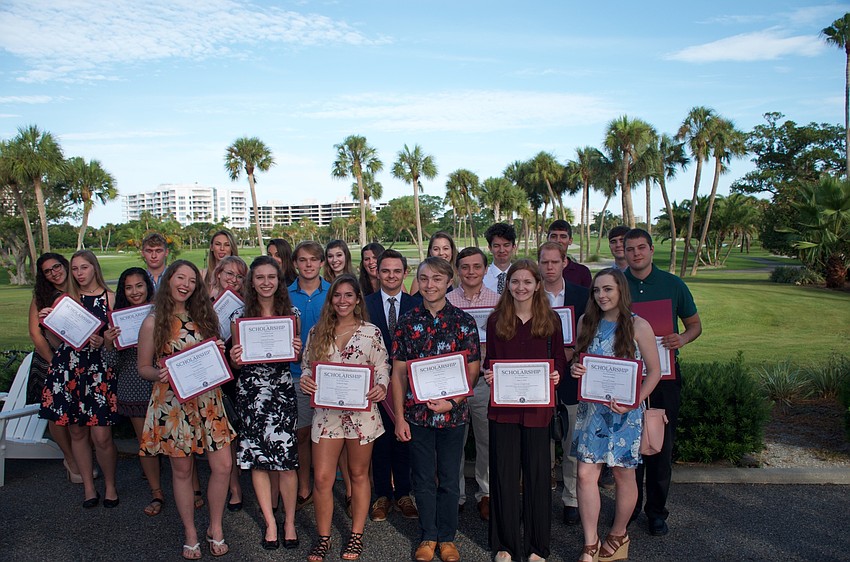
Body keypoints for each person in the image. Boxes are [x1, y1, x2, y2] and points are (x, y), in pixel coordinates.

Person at [138, 260, 236, 559]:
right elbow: (143, 368)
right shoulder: (153, 321)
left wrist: (218, 351)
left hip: (208, 402)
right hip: (172, 404)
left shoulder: (204, 316)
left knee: (223, 466)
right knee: (182, 471)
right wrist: (159, 374)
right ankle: (191, 532)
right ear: (169, 280)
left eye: (192, 280)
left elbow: (216, 358)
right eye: (180, 278)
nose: (186, 284)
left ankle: (215, 527)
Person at [392, 257, 481, 562]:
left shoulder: (463, 321)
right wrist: (399, 417)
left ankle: (448, 538)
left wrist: (452, 401)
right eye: (424, 279)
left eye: (437, 279)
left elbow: (472, 370)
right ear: (418, 281)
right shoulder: (407, 321)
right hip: (417, 416)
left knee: (449, 478)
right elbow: (399, 373)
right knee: (423, 479)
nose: (430, 285)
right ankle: (428, 536)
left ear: (448, 282)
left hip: (453, 415)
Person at [570, 268, 662, 562]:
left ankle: (619, 533)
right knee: (585, 474)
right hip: (592, 411)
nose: (601, 295)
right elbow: (578, 360)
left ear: (621, 291)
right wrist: (576, 369)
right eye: (597, 290)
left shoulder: (639, 326)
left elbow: (655, 371)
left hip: (626, 414)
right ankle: (590, 542)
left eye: (608, 289)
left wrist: (635, 400)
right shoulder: (586, 321)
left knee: (624, 475)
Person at [300, 274, 390, 561]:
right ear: (331, 299)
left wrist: (381, 386)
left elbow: (382, 366)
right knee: (324, 478)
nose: (342, 301)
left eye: (348, 295)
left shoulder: (370, 332)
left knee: (359, 474)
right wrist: (305, 380)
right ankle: (324, 538)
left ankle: (355, 535)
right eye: (337, 295)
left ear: (357, 299)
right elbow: (306, 366)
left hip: (362, 414)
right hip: (327, 415)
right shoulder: (318, 331)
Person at [482, 259, 565, 562]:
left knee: (538, 478)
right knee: (503, 476)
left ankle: (537, 546)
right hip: (503, 410)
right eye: (515, 282)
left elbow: (559, 360)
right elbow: (490, 360)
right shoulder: (495, 321)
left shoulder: (551, 320)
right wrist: (489, 372)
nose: (521, 287)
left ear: (537, 285)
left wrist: (557, 375)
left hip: (537, 411)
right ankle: (505, 544)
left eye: (527, 282)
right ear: (508, 286)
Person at [624, 228, 701, 537]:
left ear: (652, 250)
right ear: (625, 253)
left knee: (660, 445)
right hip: (626, 376)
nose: (636, 253)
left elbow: (694, 325)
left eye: (641, 248)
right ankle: (629, 507)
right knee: (629, 446)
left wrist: (681, 337)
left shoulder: (672, 284)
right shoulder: (618, 284)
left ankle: (656, 512)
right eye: (630, 249)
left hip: (665, 377)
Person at [229, 256, 302, 551]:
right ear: (252, 281)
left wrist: (297, 351)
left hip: (281, 392)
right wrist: (233, 359)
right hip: (251, 394)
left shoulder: (291, 313)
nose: (266, 282)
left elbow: (296, 357)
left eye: (271, 277)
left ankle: (289, 522)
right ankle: (271, 522)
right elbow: (234, 363)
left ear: (279, 280)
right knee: (258, 460)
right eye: (260, 277)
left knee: (286, 462)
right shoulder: (238, 316)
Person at [39, 250, 119, 508]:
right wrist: (48, 323)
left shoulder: (110, 298)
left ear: (94, 268)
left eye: (84, 267)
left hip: (97, 371)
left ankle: (109, 485)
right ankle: (88, 487)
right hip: (68, 368)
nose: (79, 273)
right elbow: (56, 341)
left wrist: (103, 341)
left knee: (102, 436)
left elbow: (116, 343)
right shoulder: (66, 299)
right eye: (75, 269)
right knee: (76, 431)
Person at [364, 249, 420, 522]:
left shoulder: (417, 305)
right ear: (377, 272)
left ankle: (405, 494)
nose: (391, 276)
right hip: (374, 386)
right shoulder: (364, 304)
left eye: (397, 271)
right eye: (385, 270)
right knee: (380, 440)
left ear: (405, 273)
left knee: (404, 439)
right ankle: (383, 495)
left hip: (409, 384)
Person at [103, 267, 164, 516]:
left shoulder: (162, 312)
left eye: (139, 285)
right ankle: (157, 493)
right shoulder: (117, 319)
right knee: (146, 443)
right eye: (129, 287)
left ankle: (193, 490)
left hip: (163, 383)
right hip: (132, 386)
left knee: (176, 439)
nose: (135, 291)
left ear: (148, 286)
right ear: (123, 291)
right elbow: (111, 364)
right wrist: (109, 342)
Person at [538, 241, 589, 526]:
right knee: (541, 445)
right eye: (544, 262)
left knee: (571, 443)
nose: (549, 267)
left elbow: (592, 332)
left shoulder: (582, 296)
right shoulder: (530, 294)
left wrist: (574, 352)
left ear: (564, 263)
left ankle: (571, 499)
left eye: (554, 262)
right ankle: (542, 494)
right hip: (538, 380)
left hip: (572, 378)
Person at [446, 246, 499, 520]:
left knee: (486, 440)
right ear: (457, 270)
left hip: (485, 382)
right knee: (454, 441)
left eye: (476, 266)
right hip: (453, 384)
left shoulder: (499, 301)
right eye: (465, 267)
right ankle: (455, 494)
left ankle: (486, 493)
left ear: (485, 269)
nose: (470, 272)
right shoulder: (447, 300)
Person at [27, 253, 80, 482]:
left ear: (64, 265)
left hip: (78, 359)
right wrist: (54, 362)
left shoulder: (79, 288)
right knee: (56, 414)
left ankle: (81, 457)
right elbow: (35, 333)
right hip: (49, 359)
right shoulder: (42, 297)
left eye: (56, 267)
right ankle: (70, 460)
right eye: (47, 271)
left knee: (77, 413)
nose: (54, 273)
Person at [288, 241, 332, 508]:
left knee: (334, 434)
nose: (308, 264)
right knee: (302, 434)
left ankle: (347, 489)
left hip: (332, 374)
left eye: (314, 259)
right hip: (296, 374)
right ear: (295, 264)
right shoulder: (285, 295)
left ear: (321, 263)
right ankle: (305, 485)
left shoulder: (333, 292)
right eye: (303, 260)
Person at [208, 254, 247, 511]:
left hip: (240, 375)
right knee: (225, 435)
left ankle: (242, 478)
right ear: (218, 274)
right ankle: (234, 488)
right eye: (229, 274)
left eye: (239, 276)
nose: (233, 279)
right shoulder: (203, 303)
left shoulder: (247, 305)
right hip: (213, 374)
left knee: (239, 429)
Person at [547, 220, 592, 289]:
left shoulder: (582, 272)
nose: (558, 240)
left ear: (570, 241)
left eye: (563, 236)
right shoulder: (539, 272)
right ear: (548, 239)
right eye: (553, 236)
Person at [483, 223, 517, 295]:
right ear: (490, 248)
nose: (502, 250)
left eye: (506, 245)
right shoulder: (481, 278)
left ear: (513, 247)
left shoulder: (520, 275)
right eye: (496, 246)